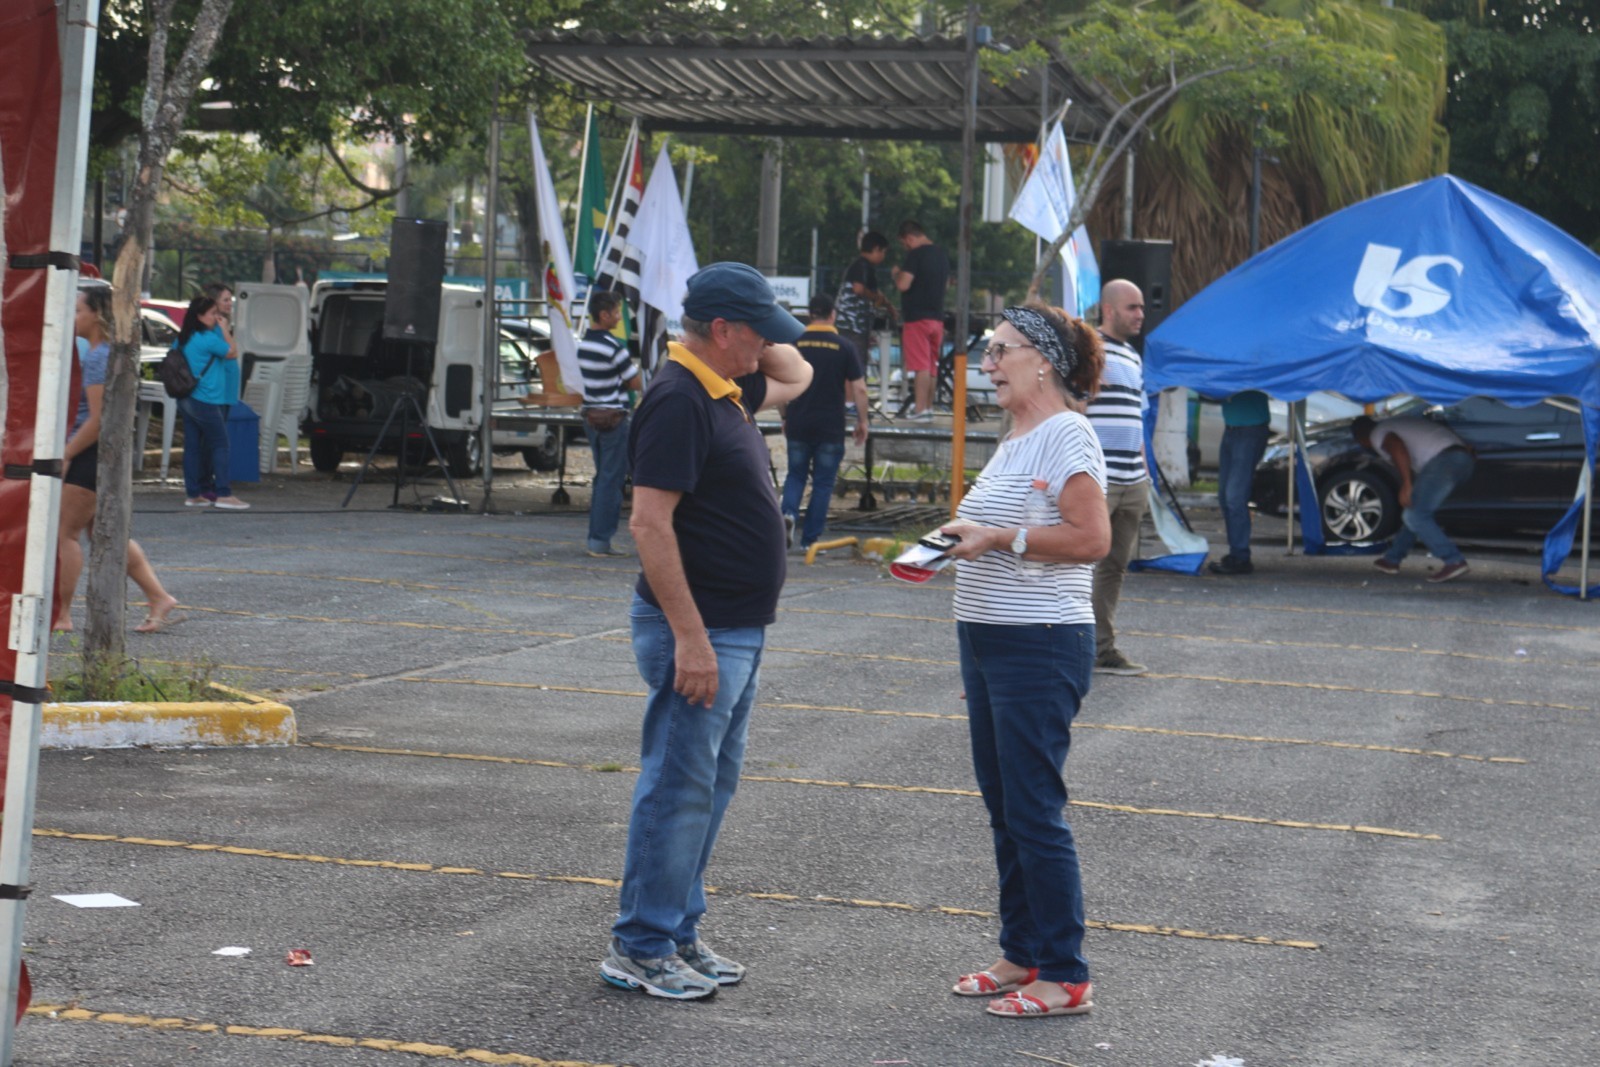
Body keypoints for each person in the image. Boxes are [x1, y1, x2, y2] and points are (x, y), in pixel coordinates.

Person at [602, 262, 813, 1000]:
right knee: (678, 788)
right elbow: (648, 523)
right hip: (701, 628)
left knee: (707, 787)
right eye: (755, 333)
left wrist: (761, 333)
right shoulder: (680, 399)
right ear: (720, 330)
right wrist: (689, 637)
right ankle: (641, 943)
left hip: (734, 626)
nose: (766, 348)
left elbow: (799, 370)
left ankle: (676, 929)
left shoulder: (722, 387)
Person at [937, 304, 1109, 1020]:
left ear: (1043, 361)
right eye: (989, 350)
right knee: (1006, 806)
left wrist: (999, 538)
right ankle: (1023, 951)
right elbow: (1001, 530)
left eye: (1001, 350)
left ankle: (1065, 973)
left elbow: (1091, 538)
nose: (987, 363)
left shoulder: (1067, 432)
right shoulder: (1016, 438)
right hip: (990, 641)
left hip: (1040, 641)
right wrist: (955, 542)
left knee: (1034, 809)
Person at [54, 285, 180, 634]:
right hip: (96, 453)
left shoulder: (99, 358)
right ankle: (159, 597)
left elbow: (98, 420)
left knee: (65, 533)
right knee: (104, 533)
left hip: (88, 453)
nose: (72, 318)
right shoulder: (105, 353)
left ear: (97, 315)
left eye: (78, 311)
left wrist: (67, 453)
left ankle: (62, 615)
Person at [1087, 279, 1149, 675]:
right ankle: (1068, 643)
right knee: (1078, 564)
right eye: (1132, 307)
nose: (1141, 314)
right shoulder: (1088, 349)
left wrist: (1145, 473)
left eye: (1141, 307)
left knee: (1114, 567)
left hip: (1132, 479)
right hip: (1098, 479)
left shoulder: (1131, 355)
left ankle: (1102, 649)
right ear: (1109, 310)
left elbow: (1136, 418)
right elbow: (1070, 406)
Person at [780, 294, 869, 551]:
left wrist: (785, 416)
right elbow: (860, 389)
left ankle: (788, 515)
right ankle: (810, 541)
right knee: (823, 483)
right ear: (833, 315)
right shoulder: (844, 346)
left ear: (810, 314)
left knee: (795, 475)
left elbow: (782, 383)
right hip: (831, 426)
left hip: (799, 421)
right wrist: (863, 421)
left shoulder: (795, 343)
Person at [1354, 414, 1475, 582]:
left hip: (1444, 461)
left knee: (1415, 516)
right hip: (1463, 459)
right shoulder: (1396, 423)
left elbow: (1397, 447)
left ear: (1361, 439)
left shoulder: (1377, 433)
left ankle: (1453, 560)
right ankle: (1392, 559)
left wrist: (1406, 483)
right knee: (1415, 511)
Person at [577, 290, 638, 558]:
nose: (618, 318)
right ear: (604, 315)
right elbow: (634, 381)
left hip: (590, 417)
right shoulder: (614, 347)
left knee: (602, 477)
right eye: (615, 313)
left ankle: (596, 538)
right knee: (611, 481)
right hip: (614, 418)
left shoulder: (581, 345)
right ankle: (600, 541)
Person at [174, 293, 248, 509]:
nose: (216, 317)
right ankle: (224, 493)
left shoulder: (184, 338)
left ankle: (193, 494)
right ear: (200, 316)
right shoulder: (207, 339)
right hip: (205, 399)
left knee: (192, 447)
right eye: (212, 313)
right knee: (220, 444)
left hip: (186, 397)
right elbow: (233, 352)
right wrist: (225, 329)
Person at [891, 219, 950, 421]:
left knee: (920, 366)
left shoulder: (915, 255)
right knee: (932, 366)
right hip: (937, 319)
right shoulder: (941, 255)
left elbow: (904, 284)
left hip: (917, 319)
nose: (905, 248)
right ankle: (929, 408)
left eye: (904, 243)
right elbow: (946, 286)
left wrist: (896, 274)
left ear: (909, 238)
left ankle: (920, 409)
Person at [1208, 390, 1272, 575]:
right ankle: (1236, 553)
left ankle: (1241, 557)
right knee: (1225, 497)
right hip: (1232, 429)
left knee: (1234, 497)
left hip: (1250, 430)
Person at [834, 229, 891, 362]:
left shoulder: (864, 266)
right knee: (856, 364)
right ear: (876, 249)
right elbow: (858, 289)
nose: (883, 256)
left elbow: (875, 291)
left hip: (852, 327)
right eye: (883, 252)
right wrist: (875, 298)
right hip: (852, 326)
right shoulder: (862, 266)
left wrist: (888, 306)